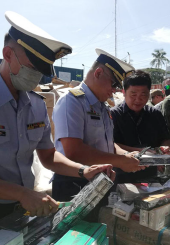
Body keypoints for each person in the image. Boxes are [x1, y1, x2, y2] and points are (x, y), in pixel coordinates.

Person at [0, 11, 114, 245]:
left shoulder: (35, 103)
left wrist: (83, 170)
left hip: (22, 213)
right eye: (33, 68)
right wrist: (23, 193)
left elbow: (48, 155)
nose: (36, 78)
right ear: (7, 54)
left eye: (42, 72)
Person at [52, 48, 146, 202]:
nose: (114, 91)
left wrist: (125, 155)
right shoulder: (72, 101)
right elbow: (74, 151)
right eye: (113, 84)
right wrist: (121, 162)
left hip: (101, 181)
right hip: (74, 183)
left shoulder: (102, 106)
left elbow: (107, 143)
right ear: (98, 73)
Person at [111, 70, 170, 183]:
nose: (138, 100)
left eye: (143, 95)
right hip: (121, 176)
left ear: (149, 93)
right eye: (133, 95)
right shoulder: (113, 115)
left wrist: (164, 149)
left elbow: (166, 138)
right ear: (124, 92)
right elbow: (110, 144)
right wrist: (142, 152)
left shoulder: (155, 114)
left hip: (150, 175)